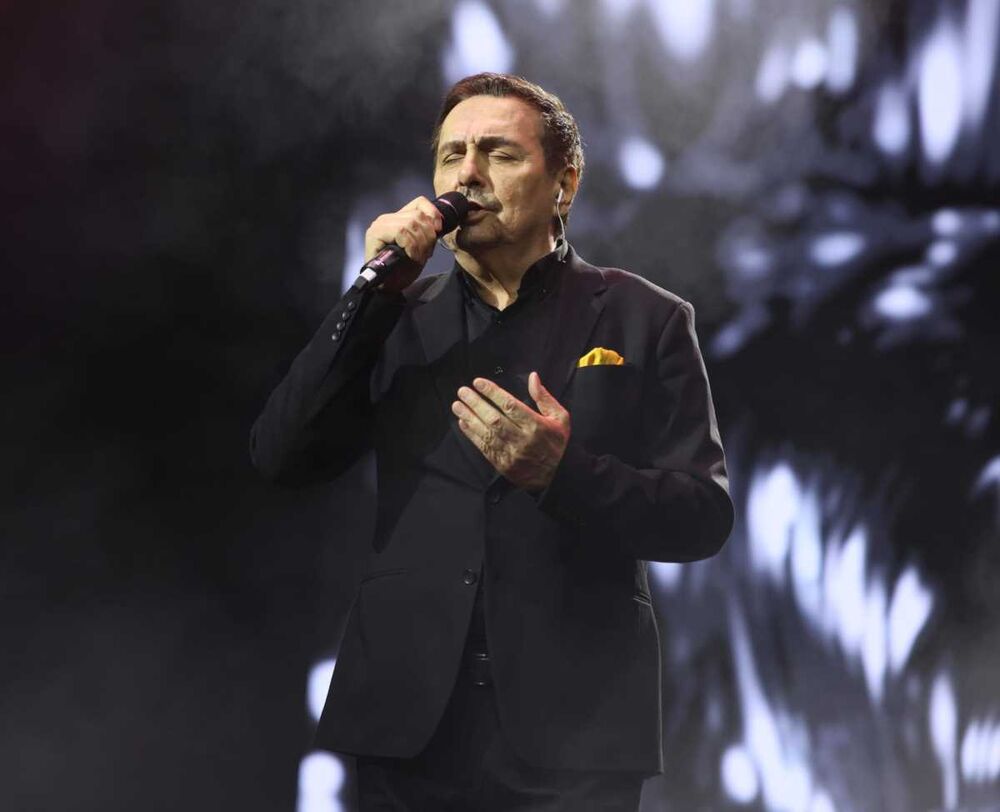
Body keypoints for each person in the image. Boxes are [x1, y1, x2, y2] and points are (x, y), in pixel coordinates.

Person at [250, 73, 733, 811]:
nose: (467, 174)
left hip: (577, 733)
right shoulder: (393, 316)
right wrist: (368, 294)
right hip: (406, 728)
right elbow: (280, 455)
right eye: (452, 155)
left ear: (564, 184)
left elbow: (702, 515)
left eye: (499, 153)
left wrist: (564, 473)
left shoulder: (646, 318)